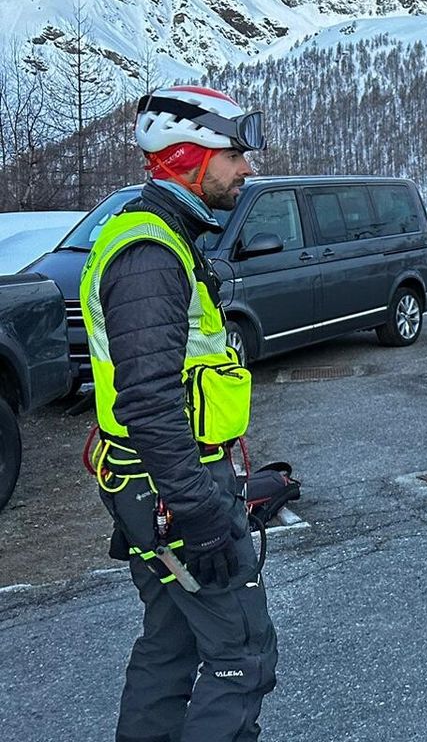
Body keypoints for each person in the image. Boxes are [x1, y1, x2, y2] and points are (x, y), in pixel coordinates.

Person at [81, 85, 277, 742]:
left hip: (154, 483)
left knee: (170, 645)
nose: (245, 169)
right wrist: (198, 511)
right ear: (189, 154)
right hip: (173, 488)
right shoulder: (149, 256)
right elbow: (149, 399)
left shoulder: (163, 236)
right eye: (234, 155)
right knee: (240, 656)